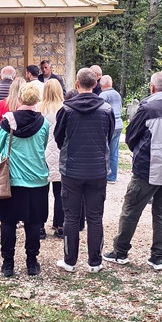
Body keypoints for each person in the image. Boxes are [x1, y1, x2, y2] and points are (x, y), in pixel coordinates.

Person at [104, 71, 162, 271]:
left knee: (131, 210)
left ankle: (120, 251)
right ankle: (158, 257)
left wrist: (139, 151)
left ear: (152, 87)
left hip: (147, 167)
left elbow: (131, 135)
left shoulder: (148, 108)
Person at [54, 69, 114, 273]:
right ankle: (95, 262)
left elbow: (59, 137)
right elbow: (109, 136)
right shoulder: (106, 109)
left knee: (71, 216)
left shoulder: (66, 110)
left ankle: (70, 261)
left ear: (77, 84)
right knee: (95, 217)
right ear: (95, 84)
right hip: (97, 170)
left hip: (72, 169)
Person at [0, 83, 51, 277]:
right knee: (33, 223)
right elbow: (42, 146)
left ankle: (8, 264)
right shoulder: (44, 123)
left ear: (19, 99)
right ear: (37, 101)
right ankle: (32, 263)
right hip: (37, 179)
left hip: (12, 180)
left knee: (7, 222)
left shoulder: (8, 121)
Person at [41, 79, 66, 238]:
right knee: (60, 193)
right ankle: (60, 225)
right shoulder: (65, 109)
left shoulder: (39, 109)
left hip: (42, 154)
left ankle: (39, 227)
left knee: (41, 193)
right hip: (60, 154)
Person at [98, 75, 123, 184]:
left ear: (101, 84)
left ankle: (103, 174)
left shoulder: (103, 95)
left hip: (109, 125)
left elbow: (99, 110)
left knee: (104, 151)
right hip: (119, 124)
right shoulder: (117, 94)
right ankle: (113, 177)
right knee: (114, 152)